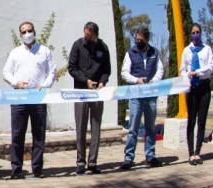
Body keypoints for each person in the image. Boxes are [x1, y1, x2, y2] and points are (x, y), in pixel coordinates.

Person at [2, 21, 57, 179]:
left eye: (30, 30)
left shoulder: (44, 51)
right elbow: (6, 73)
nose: (27, 34)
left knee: (39, 135)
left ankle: (37, 169)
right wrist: (16, 82)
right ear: (20, 35)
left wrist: (45, 85)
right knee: (17, 135)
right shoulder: (15, 53)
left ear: (34, 32)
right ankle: (16, 169)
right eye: (24, 31)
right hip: (19, 97)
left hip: (38, 97)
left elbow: (52, 71)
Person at [68, 21, 111, 175]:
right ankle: (80, 162)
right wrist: (85, 80)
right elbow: (72, 68)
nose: (86, 38)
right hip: (81, 92)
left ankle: (92, 162)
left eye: (89, 36)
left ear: (96, 35)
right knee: (81, 127)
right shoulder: (77, 45)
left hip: (97, 92)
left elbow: (107, 70)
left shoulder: (103, 47)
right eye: (85, 35)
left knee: (96, 127)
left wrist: (102, 81)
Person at [120, 27, 165, 170]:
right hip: (136, 96)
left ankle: (150, 156)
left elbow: (160, 70)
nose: (138, 41)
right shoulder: (130, 53)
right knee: (133, 128)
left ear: (147, 39)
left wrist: (153, 81)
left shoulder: (154, 53)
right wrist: (136, 80)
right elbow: (124, 73)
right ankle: (128, 158)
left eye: (141, 40)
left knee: (150, 128)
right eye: (137, 39)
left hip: (150, 96)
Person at [180, 23, 213, 165]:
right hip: (192, 88)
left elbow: (210, 67)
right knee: (191, 121)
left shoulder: (207, 49)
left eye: (198, 32)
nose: (195, 35)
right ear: (190, 34)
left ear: (201, 33)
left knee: (201, 121)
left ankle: (197, 152)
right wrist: (187, 76)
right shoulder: (186, 51)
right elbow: (182, 69)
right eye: (193, 32)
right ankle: (190, 153)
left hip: (204, 86)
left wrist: (197, 72)